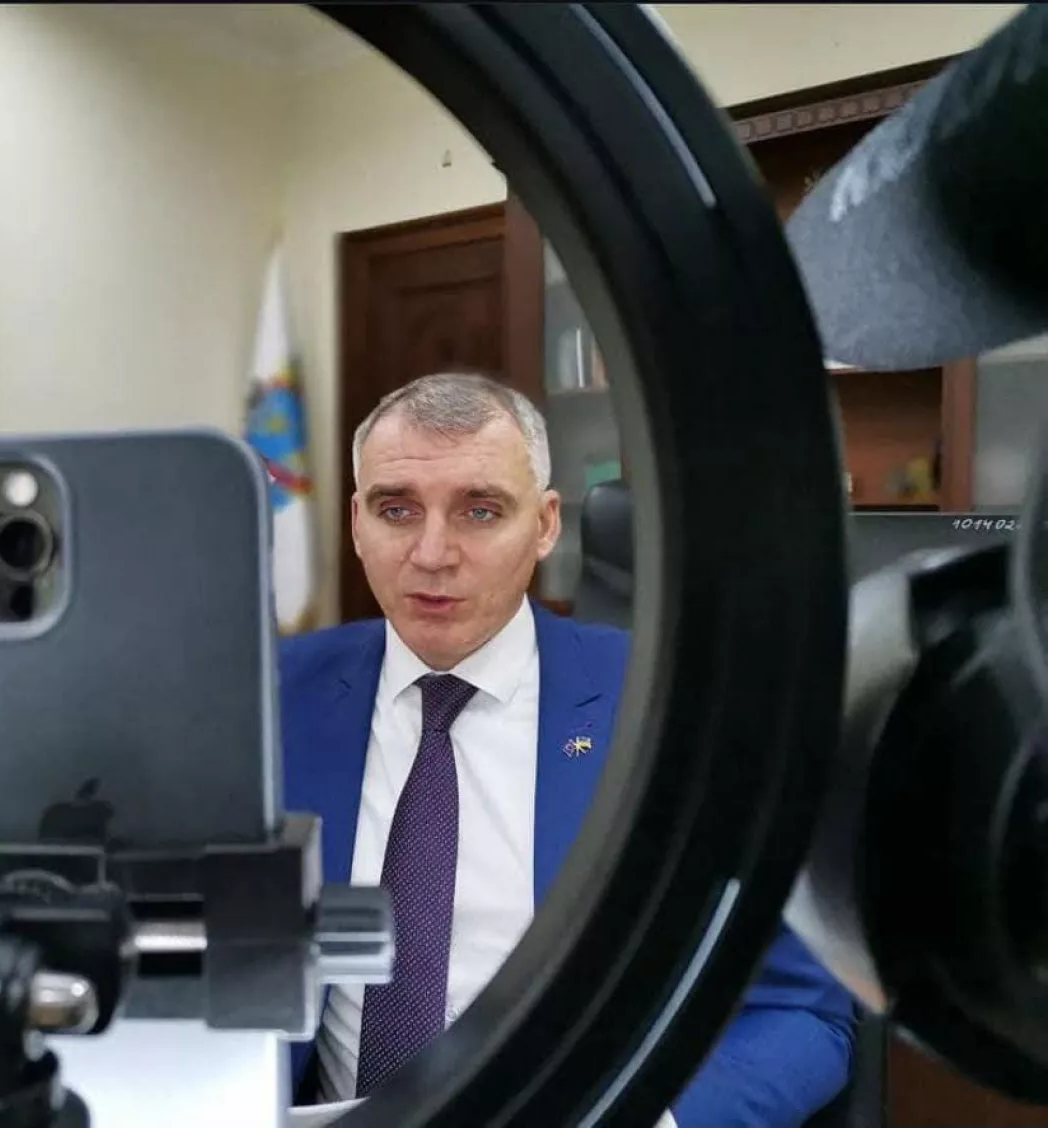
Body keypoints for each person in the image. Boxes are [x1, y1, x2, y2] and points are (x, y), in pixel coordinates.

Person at [280, 372, 855, 1125]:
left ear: (547, 524)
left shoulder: (682, 710)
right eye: (396, 509)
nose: (432, 552)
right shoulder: (269, 698)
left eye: (480, 510)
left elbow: (797, 1009)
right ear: (357, 523)